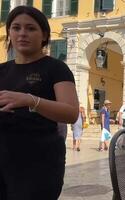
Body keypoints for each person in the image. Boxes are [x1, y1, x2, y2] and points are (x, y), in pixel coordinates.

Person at [0, 6, 79, 200]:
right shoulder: (2, 70)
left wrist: (30, 100)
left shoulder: (56, 68)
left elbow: (70, 113)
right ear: (9, 33)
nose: (22, 33)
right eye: (16, 28)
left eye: (30, 28)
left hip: (38, 164)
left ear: (44, 35)